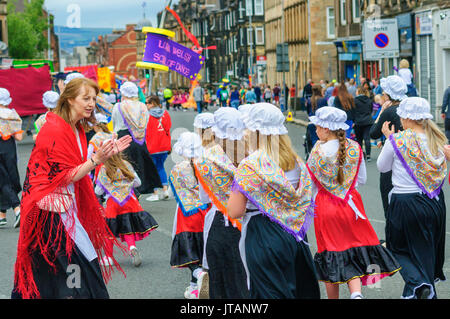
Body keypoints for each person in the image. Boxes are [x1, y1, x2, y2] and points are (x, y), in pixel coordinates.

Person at [11, 77, 132, 299]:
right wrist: (96, 160)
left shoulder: (76, 129)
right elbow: (62, 177)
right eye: (85, 98)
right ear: (68, 99)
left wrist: (105, 156)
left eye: (94, 99)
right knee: (75, 271)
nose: (90, 103)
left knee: (54, 275)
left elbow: (74, 168)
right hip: (50, 215)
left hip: (63, 209)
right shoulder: (55, 129)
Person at [227, 103, 320, 299]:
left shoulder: (250, 165)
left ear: (257, 132)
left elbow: (234, 211)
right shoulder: (296, 162)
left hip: (262, 233)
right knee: (296, 289)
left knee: (267, 293)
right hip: (294, 233)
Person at [306, 106, 401, 299]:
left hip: (326, 207)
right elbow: (362, 180)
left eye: (317, 126)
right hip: (351, 205)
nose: (315, 130)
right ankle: (356, 293)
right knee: (353, 250)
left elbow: (310, 185)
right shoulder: (354, 148)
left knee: (330, 254)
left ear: (326, 128)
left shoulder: (317, 151)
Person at [377, 97, 447, 299]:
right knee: (425, 251)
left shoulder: (399, 140)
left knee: (396, 247)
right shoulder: (438, 140)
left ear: (408, 117)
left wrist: (389, 140)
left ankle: (419, 284)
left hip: (404, 202)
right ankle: (423, 292)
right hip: (433, 202)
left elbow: (383, 167)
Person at [194, 107, 249, 299]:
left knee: (222, 286)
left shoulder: (204, 160)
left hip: (221, 223)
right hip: (251, 224)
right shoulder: (253, 156)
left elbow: (202, 198)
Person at [95, 151, 158, 268]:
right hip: (129, 200)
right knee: (127, 226)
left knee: (109, 230)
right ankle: (132, 247)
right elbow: (137, 182)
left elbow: (98, 191)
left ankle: (108, 257)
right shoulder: (126, 165)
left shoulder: (104, 169)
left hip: (113, 202)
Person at [169, 132, 210, 299]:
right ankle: (194, 288)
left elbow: (173, 195)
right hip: (205, 212)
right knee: (202, 248)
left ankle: (198, 274)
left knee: (188, 250)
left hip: (186, 213)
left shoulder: (177, 169)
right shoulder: (205, 165)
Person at [112, 81, 162, 197]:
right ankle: (139, 191)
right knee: (139, 167)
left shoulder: (119, 106)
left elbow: (115, 125)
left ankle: (129, 194)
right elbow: (146, 122)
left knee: (125, 168)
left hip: (123, 138)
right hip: (139, 140)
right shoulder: (143, 106)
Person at [369, 75, 408, 216]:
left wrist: (381, 112)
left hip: (393, 159)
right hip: (410, 157)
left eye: (384, 93)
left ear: (389, 95)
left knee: (389, 203)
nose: (382, 96)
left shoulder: (390, 111)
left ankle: (392, 236)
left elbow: (373, 133)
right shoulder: (407, 107)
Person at [0, 88, 23, 228]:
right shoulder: (12, 114)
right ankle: (2, 215)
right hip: (8, 147)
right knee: (9, 178)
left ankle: (17, 208)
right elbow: (19, 137)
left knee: (2, 180)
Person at [145, 95, 172, 201]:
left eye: (147, 103)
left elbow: (145, 131)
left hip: (152, 146)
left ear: (152, 103)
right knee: (160, 167)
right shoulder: (165, 113)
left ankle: (155, 193)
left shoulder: (147, 115)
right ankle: (165, 190)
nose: (146, 105)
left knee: (151, 170)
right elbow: (168, 127)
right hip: (164, 145)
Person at [353, 86, 375, 161]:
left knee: (359, 139)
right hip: (368, 121)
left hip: (358, 122)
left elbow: (353, 112)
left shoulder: (355, 100)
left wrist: (353, 120)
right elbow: (371, 110)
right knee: (367, 139)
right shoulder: (369, 100)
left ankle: (361, 155)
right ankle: (368, 155)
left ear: (359, 92)